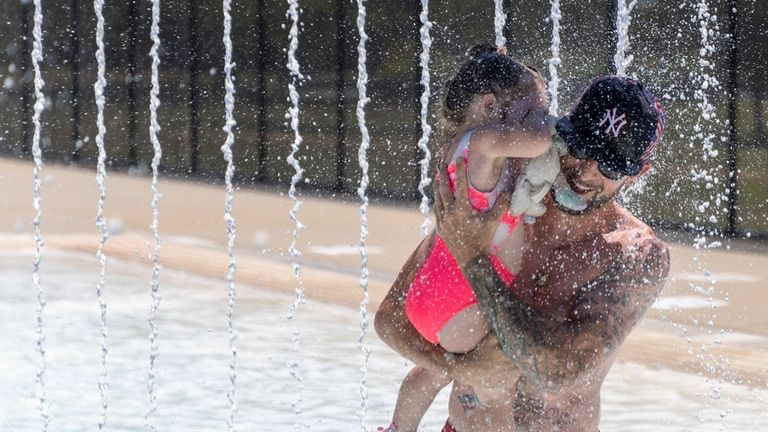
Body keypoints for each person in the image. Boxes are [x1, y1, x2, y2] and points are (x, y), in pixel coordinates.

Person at [375, 75, 670, 432]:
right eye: (579, 147)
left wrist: (474, 261)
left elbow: (556, 372)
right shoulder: (503, 198)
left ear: (637, 175)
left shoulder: (635, 255)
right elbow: (391, 318)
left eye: (609, 166)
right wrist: (460, 370)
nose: (585, 171)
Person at [376, 44, 562, 432]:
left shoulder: (460, 149)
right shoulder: (483, 144)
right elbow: (543, 140)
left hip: (435, 290)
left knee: (431, 371)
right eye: (529, 112)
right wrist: (554, 124)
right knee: (494, 390)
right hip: (463, 300)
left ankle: (397, 428)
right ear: (490, 108)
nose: (537, 120)